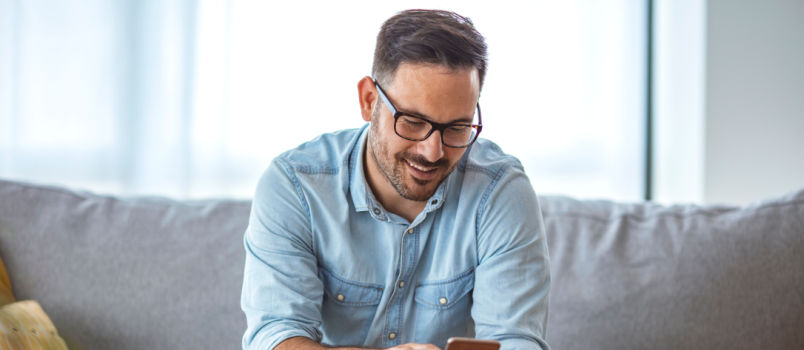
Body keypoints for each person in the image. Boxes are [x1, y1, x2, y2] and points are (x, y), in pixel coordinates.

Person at [241, 9, 550, 350]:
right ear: (369, 100)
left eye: (457, 128)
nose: (433, 151)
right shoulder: (295, 186)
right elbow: (275, 336)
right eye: (413, 122)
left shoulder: (499, 191)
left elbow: (515, 340)